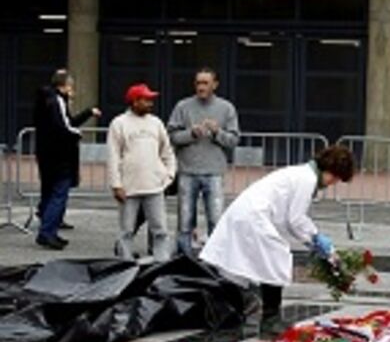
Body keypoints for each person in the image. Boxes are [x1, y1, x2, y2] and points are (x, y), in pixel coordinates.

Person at [199, 146, 356, 318]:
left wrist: (312, 239)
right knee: (276, 258)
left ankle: (240, 307)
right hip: (253, 215)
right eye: (334, 178)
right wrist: (315, 237)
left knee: (244, 265)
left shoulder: (302, 174)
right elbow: (295, 219)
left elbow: (288, 218)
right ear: (328, 168)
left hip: (248, 214)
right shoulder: (307, 179)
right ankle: (270, 316)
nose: (332, 183)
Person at [167, 67, 240, 256]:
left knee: (216, 218)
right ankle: (184, 257)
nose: (201, 87)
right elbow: (172, 136)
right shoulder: (183, 107)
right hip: (187, 170)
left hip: (214, 171)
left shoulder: (226, 108)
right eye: (198, 82)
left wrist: (217, 132)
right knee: (185, 220)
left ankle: (215, 257)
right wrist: (191, 133)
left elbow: (233, 140)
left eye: (205, 83)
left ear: (215, 85)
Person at [107, 83, 177, 262]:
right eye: (146, 99)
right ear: (135, 101)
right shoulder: (119, 123)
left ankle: (162, 263)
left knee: (160, 229)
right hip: (128, 188)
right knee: (126, 231)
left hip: (154, 186)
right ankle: (125, 264)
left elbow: (167, 151)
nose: (150, 103)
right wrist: (116, 185)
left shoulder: (156, 123)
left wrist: (168, 175)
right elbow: (113, 156)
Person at [32, 69, 101, 249]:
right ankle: (47, 232)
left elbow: (65, 122)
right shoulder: (56, 101)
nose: (72, 89)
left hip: (46, 153)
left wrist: (87, 113)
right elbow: (64, 126)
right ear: (64, 86)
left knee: (49, 191)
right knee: (59, 193)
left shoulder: (46, 100)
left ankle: (48, 227)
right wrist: (77, 135)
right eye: (70, 86)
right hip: (59, 155)